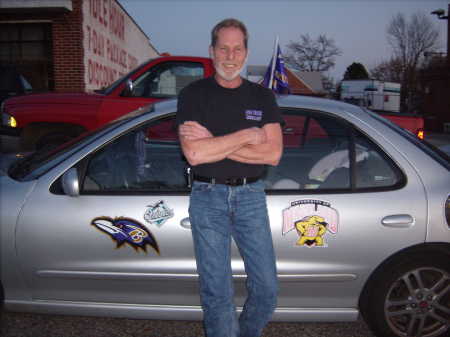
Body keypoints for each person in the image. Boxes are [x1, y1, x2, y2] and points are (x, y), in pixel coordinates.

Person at [176, 18, 283, 337]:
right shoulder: (193, 95)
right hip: (207, 198)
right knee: (217, 295)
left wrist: (214, 140)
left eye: (237, 49)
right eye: (223, 48)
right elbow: (194, 155)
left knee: (267, 291)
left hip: (251, 196)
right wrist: (248, 135)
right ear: (212, 51)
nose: (230, 55)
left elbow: (272, 155)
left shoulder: (263, 97)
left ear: (246, 53)